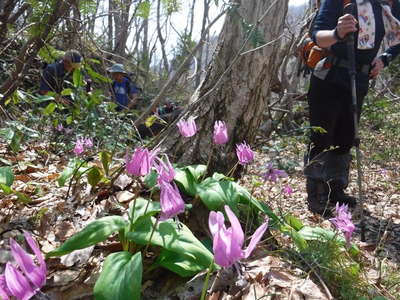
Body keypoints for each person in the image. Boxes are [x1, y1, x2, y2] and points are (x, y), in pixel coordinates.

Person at [304, 0, 400, 216]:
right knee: (322, 135)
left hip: (360, 78)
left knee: (346, 136)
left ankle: (336, 190)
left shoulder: (391, 4)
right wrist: (337, 33)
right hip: (329, 75)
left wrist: (385, 59)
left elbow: (398, 37)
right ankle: (317, 192)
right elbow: (317, 34)